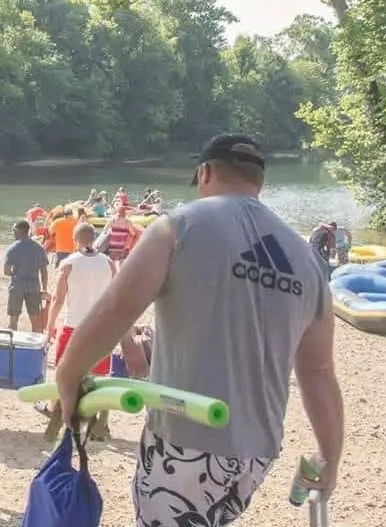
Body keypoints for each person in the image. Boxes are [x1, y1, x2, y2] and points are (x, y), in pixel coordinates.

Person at [54, 134, 342, 525]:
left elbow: (118, 308)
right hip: (256, 451)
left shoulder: (178, 226)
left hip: (187, 437)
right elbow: (319, 373)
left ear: (205, 172)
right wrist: (329, 458)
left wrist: (69, 375)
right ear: (259, 181)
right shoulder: (307, 260)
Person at [40, 221, 115, 435]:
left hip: (74, 325)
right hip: (100, 327)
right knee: (100, 376)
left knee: (63, 373)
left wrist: (49, 328)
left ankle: (55, 409)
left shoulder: (69, 264)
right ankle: (102, 423)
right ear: (94, 239)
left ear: (75, 240)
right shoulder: (108, 263)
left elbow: (57, 300)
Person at [2, 219, 49, 332]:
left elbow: (6, 270)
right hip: (34, 287)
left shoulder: (13, 248)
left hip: (17, 286)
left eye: (14, 230)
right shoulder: (38, 247)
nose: (13, 233)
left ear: (19, 231)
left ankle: (12, 346)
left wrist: (14, 274)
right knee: (35, 320)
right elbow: (44, 270)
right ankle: (37, 346)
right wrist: (44, 288)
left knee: (13, 320)